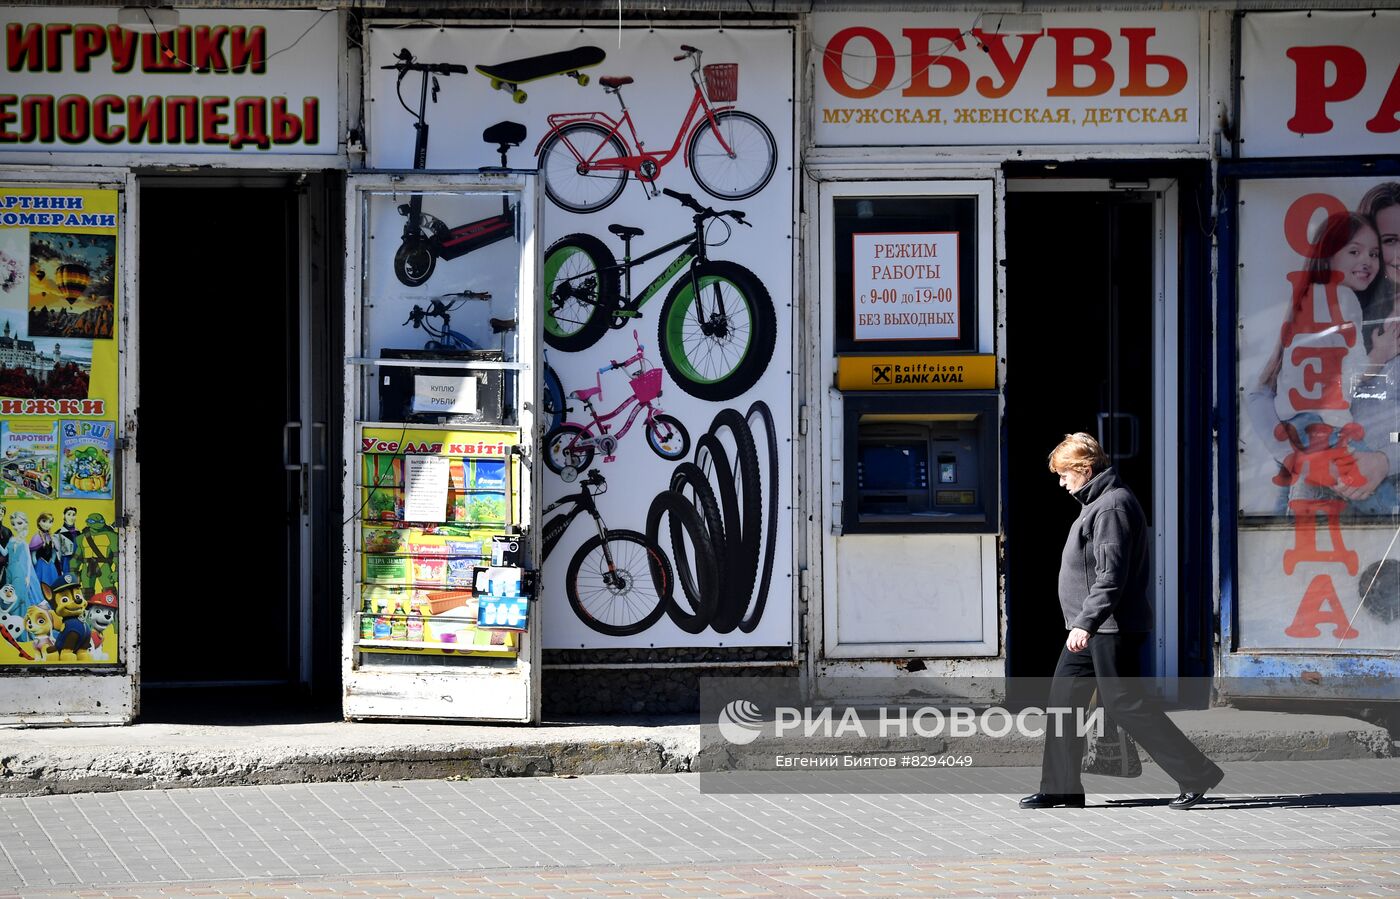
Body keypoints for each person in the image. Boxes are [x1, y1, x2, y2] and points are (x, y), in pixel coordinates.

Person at [1020, 433, 1223, 811]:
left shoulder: (1112, 506)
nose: (1061, 482)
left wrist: (1087, 622)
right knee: (1064, 701)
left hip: (1110, 627)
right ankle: (1061, 787)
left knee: (1124, 704)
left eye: (1065, 474)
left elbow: (1111, 577)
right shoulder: (1097, 502)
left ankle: (1197, 773)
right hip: (1091, 626)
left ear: (1086, 468)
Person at [1246, 211, 1394, 515]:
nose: (1368, 260)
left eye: (1373, 253)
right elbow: (1259, 394)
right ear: (1328, 258)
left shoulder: (1312, 304)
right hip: (1328, 449)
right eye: (1355, 251)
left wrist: (1386, 460)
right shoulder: (1343, 305)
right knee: (1382, 506)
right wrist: (1298, 460)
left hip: (1324, 453)